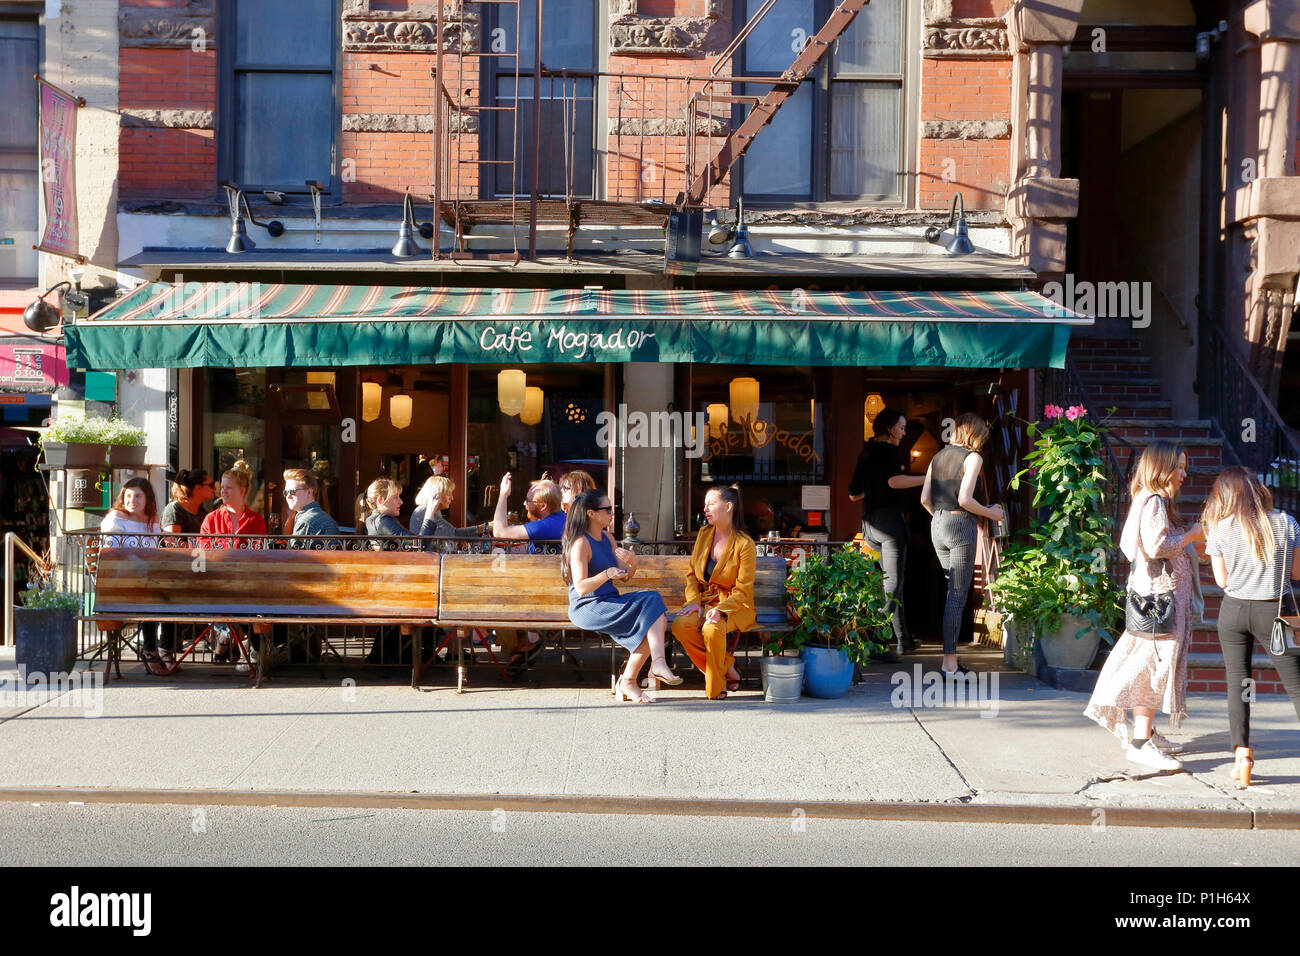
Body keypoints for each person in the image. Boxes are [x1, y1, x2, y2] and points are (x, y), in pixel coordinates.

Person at [1085, 441, 1204, 770]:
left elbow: (1130, 546)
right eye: (1178, 466)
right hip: (1158, 602)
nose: (1184, 473)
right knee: (1150, 669)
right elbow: (1156, 546)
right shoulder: (1153, 501)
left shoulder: (1147, 499)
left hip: (1153, 599)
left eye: (1185, 466)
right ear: (1161, 467)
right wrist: (1193, 535)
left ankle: (1147, 732)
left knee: (1147, 665)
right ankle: (1140, 744)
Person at [1203, 466, 1300, 786]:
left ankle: (1242, 755)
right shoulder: (1287, 523)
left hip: (1233, 612)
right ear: (1259, 490)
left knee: (1240, 684)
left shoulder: (1220, 528)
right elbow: (1296, 574)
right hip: (1276, 611)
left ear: (1227, 495)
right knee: (1297, 685)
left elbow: (1221, 580)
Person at [563, 489, 681, 702]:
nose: (612, 513)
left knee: (657, 616)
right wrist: (606, 574)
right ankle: (647, 670)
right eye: (607, 509)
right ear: (591, 513)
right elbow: (581, 588)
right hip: (588, 606)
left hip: (610, 600)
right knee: (655, 615)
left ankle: (641, 672)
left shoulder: (608, 538)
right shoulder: (581, 543)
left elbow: (625, 577)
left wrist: (633, 563)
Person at [920, 413, 1005, 676]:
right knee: (956, 598)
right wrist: (992, 513)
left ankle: (950, 662)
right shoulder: (973, 458)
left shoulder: (937, 456)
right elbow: (965, 499)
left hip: (937, 525)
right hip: (959, 525)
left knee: (951, 594)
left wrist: (942, 519)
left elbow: (924, 499)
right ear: (976, 435)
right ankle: (950, 665)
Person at [848, 407, 924, 660]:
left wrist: (876, 488)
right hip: (890, 523)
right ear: (890, 428)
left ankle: (903, 639)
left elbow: (853, 494)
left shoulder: (865, 452)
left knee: (891, 584)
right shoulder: (891, 451)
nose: (903, 432)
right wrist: (928, 477)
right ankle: (875, 642)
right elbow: (894, 481)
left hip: (870, 524)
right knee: (893, 584)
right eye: (901, 427)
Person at [671, 484, 755, 699]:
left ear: (728, 506)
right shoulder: (704, 534)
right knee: (681, 626)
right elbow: (692, 574)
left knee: (711, 628)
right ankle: (727, 667)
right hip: (704, 600)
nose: (705, 509)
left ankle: (716, 687)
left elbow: (744, 590)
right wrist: (693, 602)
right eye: (705, 504)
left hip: (735, 605)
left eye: (711, 503)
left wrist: (720, 610)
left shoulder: (745, 544)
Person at [199, 461, 268, 664]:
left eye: (229, 488)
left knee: (249, 602)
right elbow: (202, 552)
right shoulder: (211, 519)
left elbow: (260, 554)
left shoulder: (255, 520)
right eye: (222, 488)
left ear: (243, 490)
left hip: (247, 582)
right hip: (217, 581)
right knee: (237, 603)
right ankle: (247, 646)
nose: (224, 492)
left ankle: (228, 638)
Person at [101, 478, 170, 675]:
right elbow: (111, 553)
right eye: (128, 495)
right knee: (152, 594)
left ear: (147, 498)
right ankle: (150, 650)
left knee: (171, 591)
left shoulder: (152, 520)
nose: (132, 500)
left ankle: (166, 649)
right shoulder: (116, 518)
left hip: (147, 577)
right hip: (119, 578)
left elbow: (155, 552)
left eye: (138, 496)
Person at [491, 473, 565, 552]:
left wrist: (503, 494)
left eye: (528, 501)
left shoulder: (544, 526)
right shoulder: (561, 519)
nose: (524, 503)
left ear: (543, 506)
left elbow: (499, 532)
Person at [416, 476, 487, 543]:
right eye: (448, 494)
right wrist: (486, 527)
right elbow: (453, 534)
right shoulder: (425, 511)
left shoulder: (431, 510)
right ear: (436, 495)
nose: (452, 498)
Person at [283, 468, 340, 547]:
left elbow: (294, 556)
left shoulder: (306, 521)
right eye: (285, 492)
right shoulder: (323, 516)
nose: (288, 496)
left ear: (309, 492)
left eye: (293, 491)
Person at [160, 468, 214, 540]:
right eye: (211, 485)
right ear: (198, 488)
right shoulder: (174, 509)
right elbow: (171, 542)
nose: (215, 489)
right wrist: (196, 548)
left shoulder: (202, 512)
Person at [360, 477, 415, 542]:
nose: (401, 502)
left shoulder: (375, 519)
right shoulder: (383, 521)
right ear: (380, 500)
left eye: (399, 497)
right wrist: (428, 517)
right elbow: (418, 544)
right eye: (395, 497)